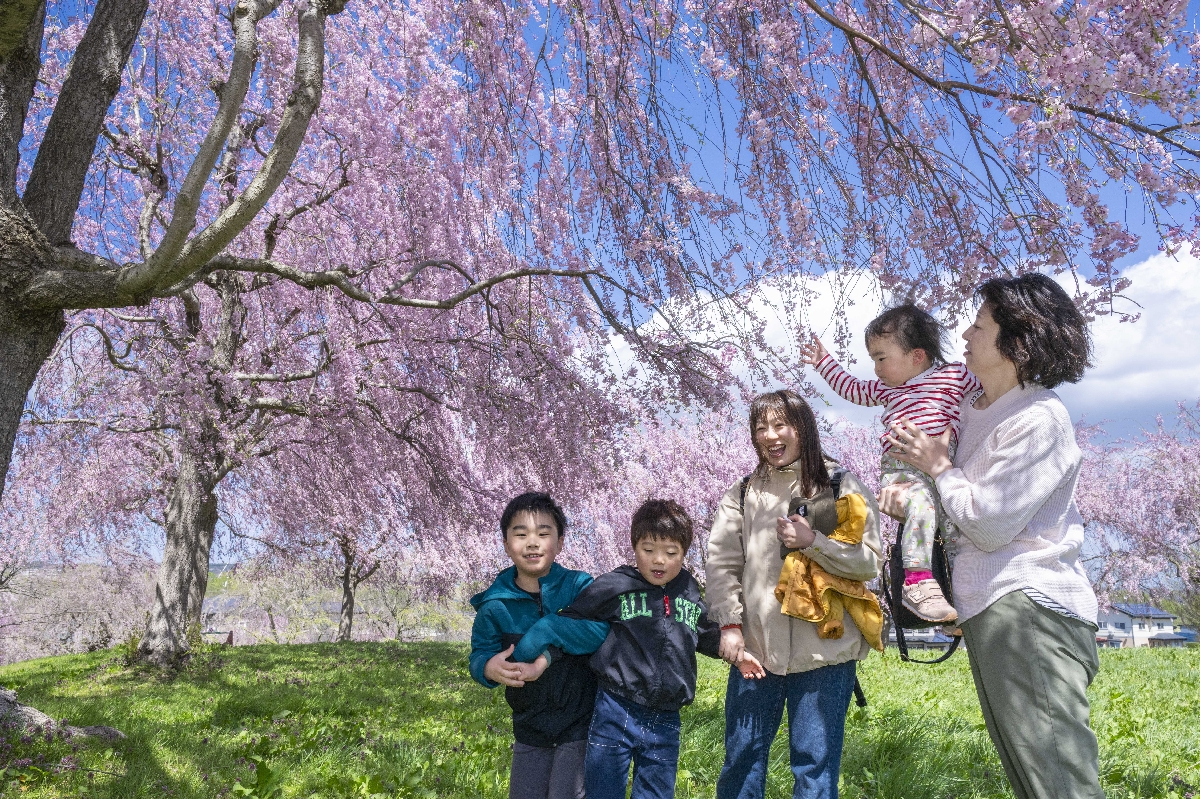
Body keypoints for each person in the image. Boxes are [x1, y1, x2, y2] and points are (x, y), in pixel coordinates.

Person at [881, 273, 1103, 799]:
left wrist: (939, 468)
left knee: (1057, 779)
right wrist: (910, 498)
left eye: (979, 326)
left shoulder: (1039, 418)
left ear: (1018, 341)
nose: (965, 334)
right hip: (990, 606)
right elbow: (954, 508)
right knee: (1030, 777)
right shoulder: (966, 410)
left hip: (1028, 607)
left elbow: (987, 521)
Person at [707, 390, 883, 799]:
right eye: (760, 427)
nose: (770, 436)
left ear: (802, 428)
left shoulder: (840, 485)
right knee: (741, 762)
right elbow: (721, 563)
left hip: (825, 654)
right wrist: (730, 624)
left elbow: (869, 562)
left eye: (780, 425)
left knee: (815, 768)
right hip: (756, 651)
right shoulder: (743, 492)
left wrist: (814, 542)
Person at [510, 499, 730, 799]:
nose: (659, 561)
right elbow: (573, 623)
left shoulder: (688, 590)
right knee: (603, 790)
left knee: (656, 793)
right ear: (634, 547)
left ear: (684, 553)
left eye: (671, 553)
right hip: (615, 708)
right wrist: (542, 659)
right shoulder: (616, 585)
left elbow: (706, 633)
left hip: (666, 717)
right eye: (648, 550)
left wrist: (737, 652)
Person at [801, 304, 980, 623]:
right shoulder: (887, 388)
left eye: (881, 358)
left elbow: (991, 388)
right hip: (902, 470)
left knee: (957, 534)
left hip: (945, 470)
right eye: (873, 359)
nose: (876, 369)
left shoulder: (955, 375)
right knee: (920, 508)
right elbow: (852, 389)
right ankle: (916, 581)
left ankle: (959, 605)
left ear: (917, 356)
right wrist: (824, 363)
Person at [468, 492, 597, 799]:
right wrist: (488, 668)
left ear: (560, 542)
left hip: (579, 723)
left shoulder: (579, 587)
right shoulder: (495, 604)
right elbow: (479, 654)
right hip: (529, 726)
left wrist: (549, 633)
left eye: (543, 533)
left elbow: (598, 632)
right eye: (521, 534)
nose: (532, 543)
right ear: (506, 544)